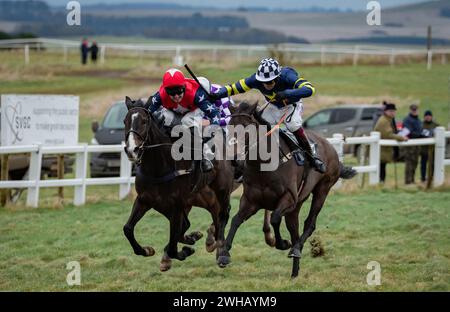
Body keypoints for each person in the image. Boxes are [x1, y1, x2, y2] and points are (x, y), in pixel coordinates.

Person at [210, 58, 326, 173]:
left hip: (291, 105)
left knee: (293, 125)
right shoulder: (255, 79)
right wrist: (217, 94)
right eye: (264, 82)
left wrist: (287, 93)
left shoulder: (287, 76)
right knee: (257, 125)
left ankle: (312, 157)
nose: (267, 85)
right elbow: (234, 88)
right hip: (272, 106)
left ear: (277, 77)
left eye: (270, 81)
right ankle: (247, 160)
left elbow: (310, 89)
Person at [147, 68, 222, 172]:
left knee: (187, 120)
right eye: (172, 93)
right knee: (163, 118)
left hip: (194, 111)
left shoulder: (196, 94)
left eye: (179, 91)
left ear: (184, 87)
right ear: (166, 91)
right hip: (173, 112)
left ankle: (204, 157)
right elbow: (147, 113)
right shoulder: (160, 96)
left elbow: (214, 113)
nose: (176, 96)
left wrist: (214, 128)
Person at [374, 103, 407, 183]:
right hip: (382, 149)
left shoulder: (388, 119)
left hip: (384, 149)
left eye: (394, 111)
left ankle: (381, 183)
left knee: (382, 167)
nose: (392, 113)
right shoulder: (384, 121)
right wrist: (402, 138)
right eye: (390, 111)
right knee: (381, 167)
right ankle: (380, 183)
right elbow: (388, 135)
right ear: (386, 111)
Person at [403, 104, 423, 184]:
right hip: (410, 144)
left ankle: (412, 179)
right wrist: (418, 135)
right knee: (409, 162)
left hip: (417, 144)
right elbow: (408, 131)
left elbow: (420, 130)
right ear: (410, 110)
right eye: (413, 110)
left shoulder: (418, 120)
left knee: (415, 162)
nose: (414, 111)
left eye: (416, 110)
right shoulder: (407, 120)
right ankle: (408, 181)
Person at [420, 110, 439, 182]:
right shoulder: (421, 125)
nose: (428, 117)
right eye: (426, 116)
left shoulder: (436, 125)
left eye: (429, 116)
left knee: (432, 164)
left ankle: (431, 177)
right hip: (424, 149)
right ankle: (423, 178)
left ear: (431, 117)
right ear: (424, 117)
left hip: (433, 149)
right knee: (423, 164)